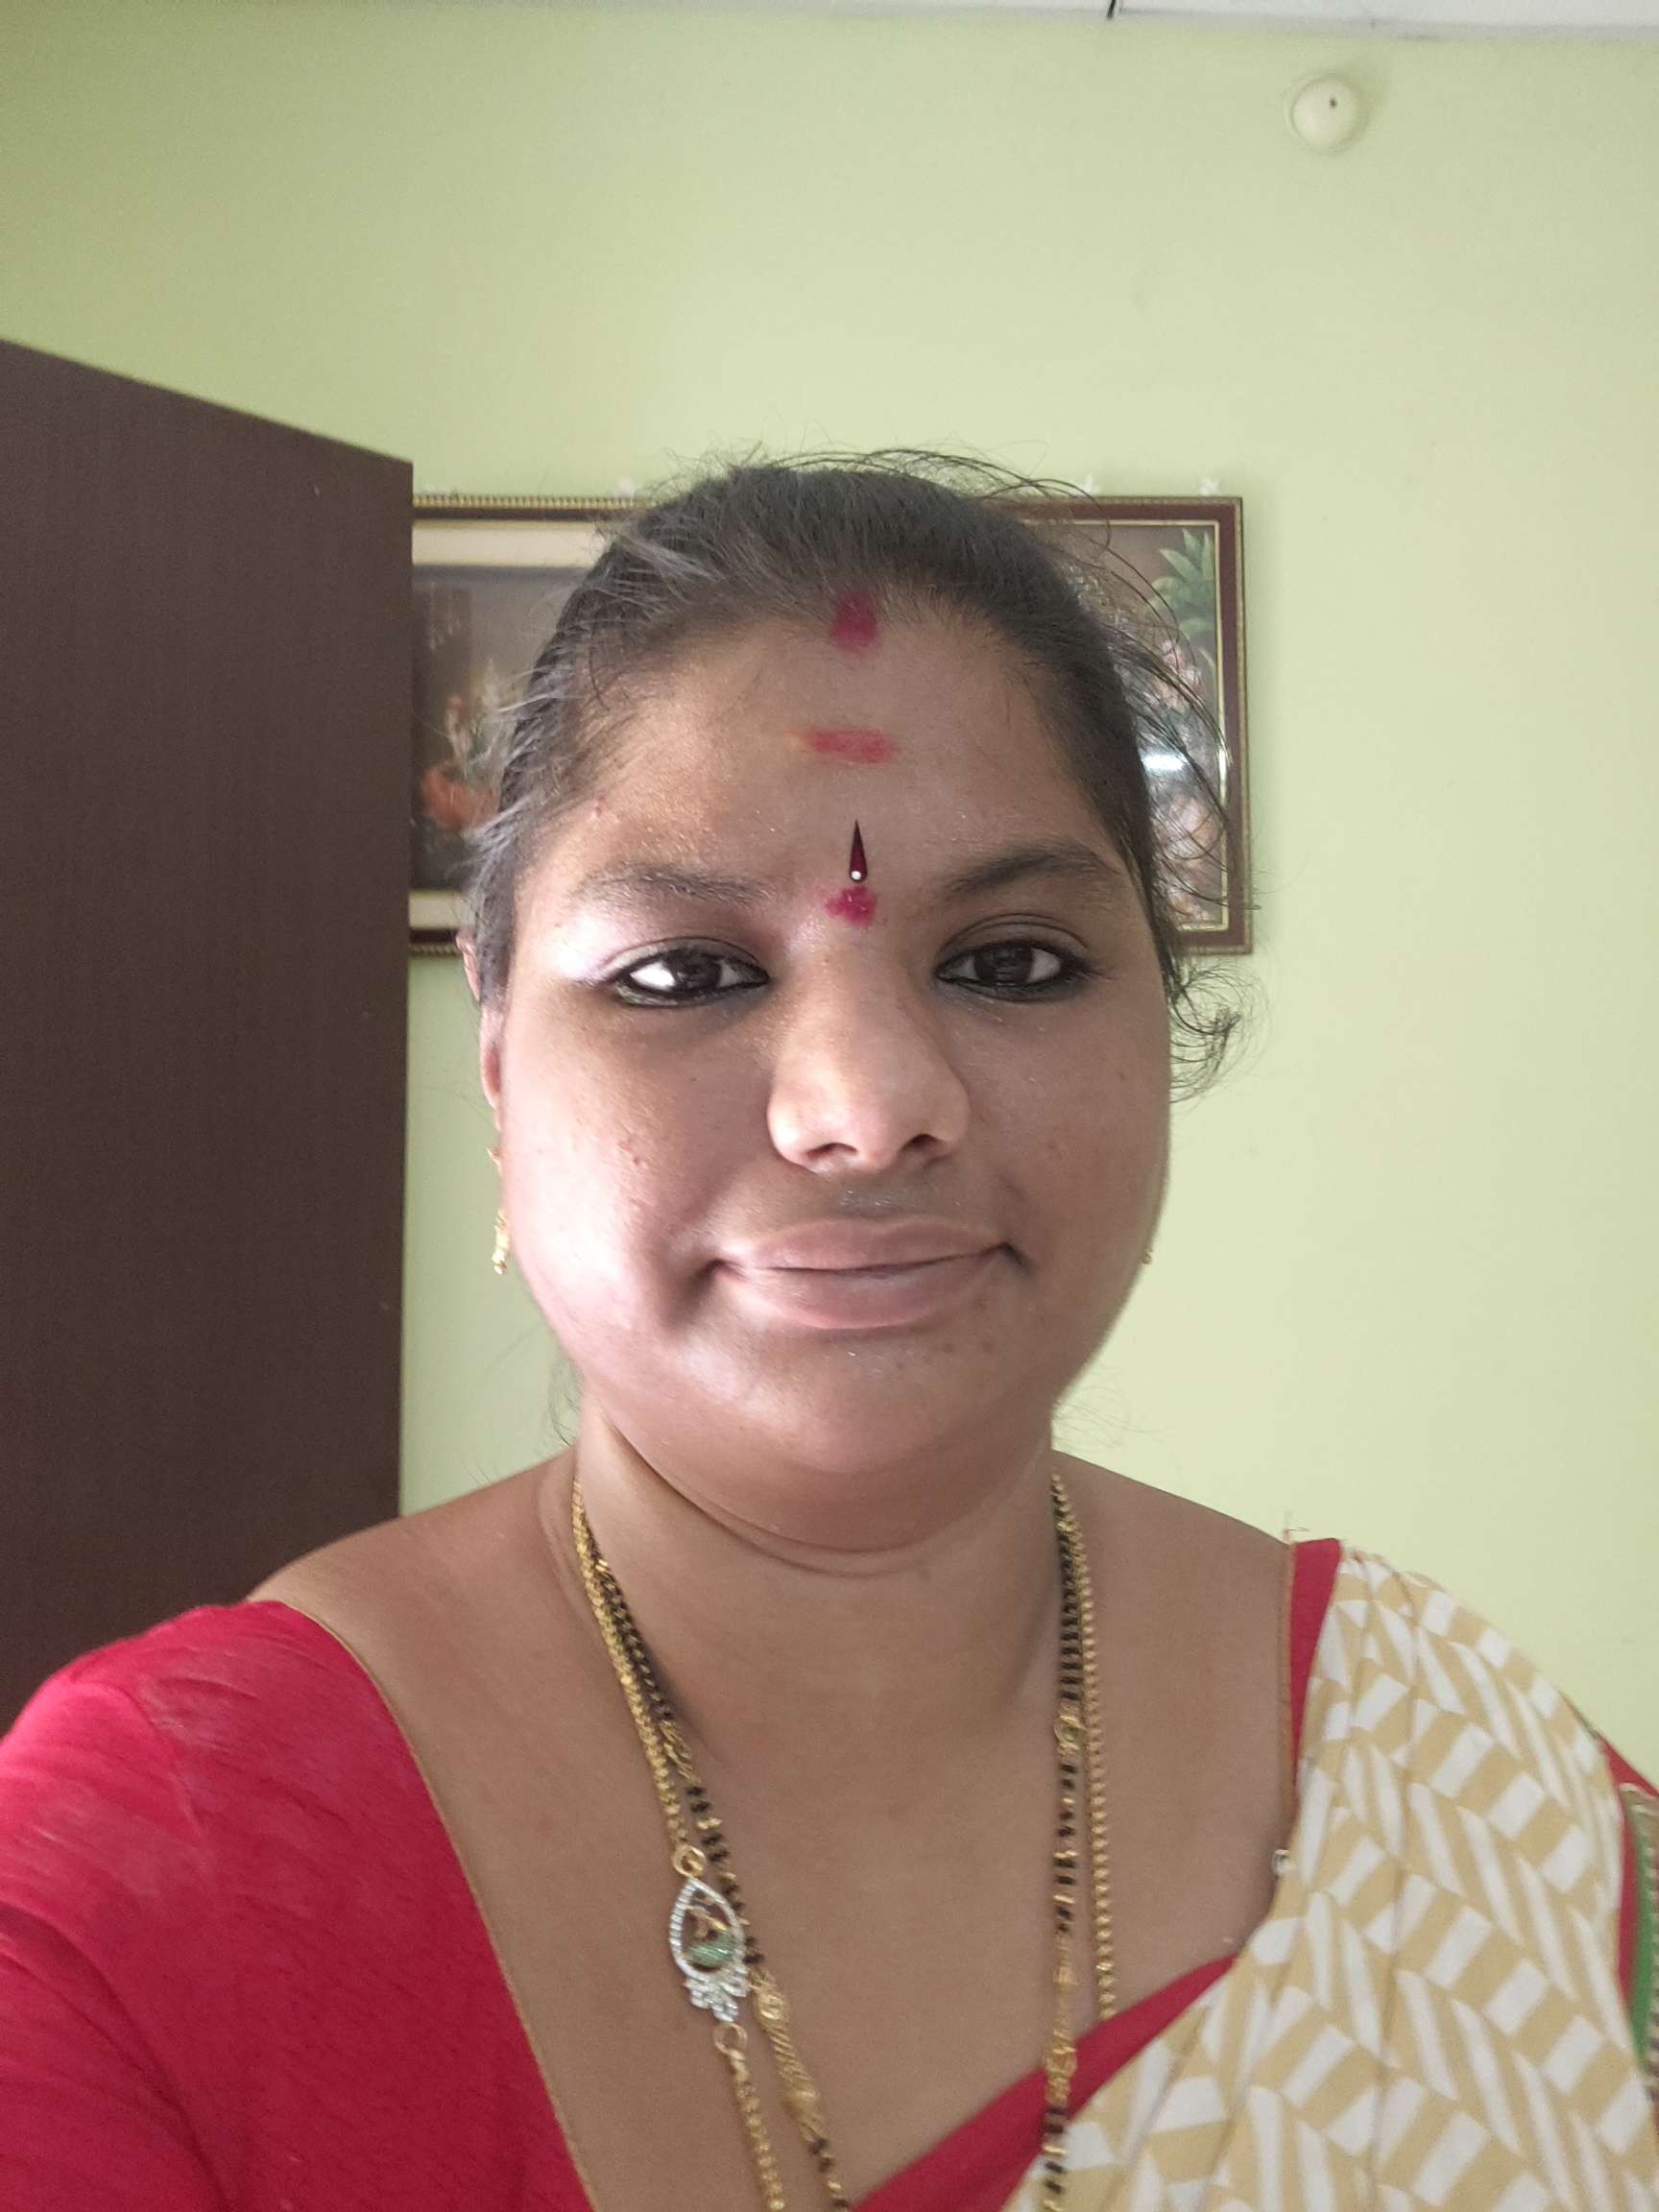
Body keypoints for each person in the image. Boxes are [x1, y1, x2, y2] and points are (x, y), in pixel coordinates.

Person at [1, 457, 1654, 2211]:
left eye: (1013, 964)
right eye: (684, 973)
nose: (867, 1111)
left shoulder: (1457, 1790)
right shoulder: (137, 1882)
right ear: (498, 1074)